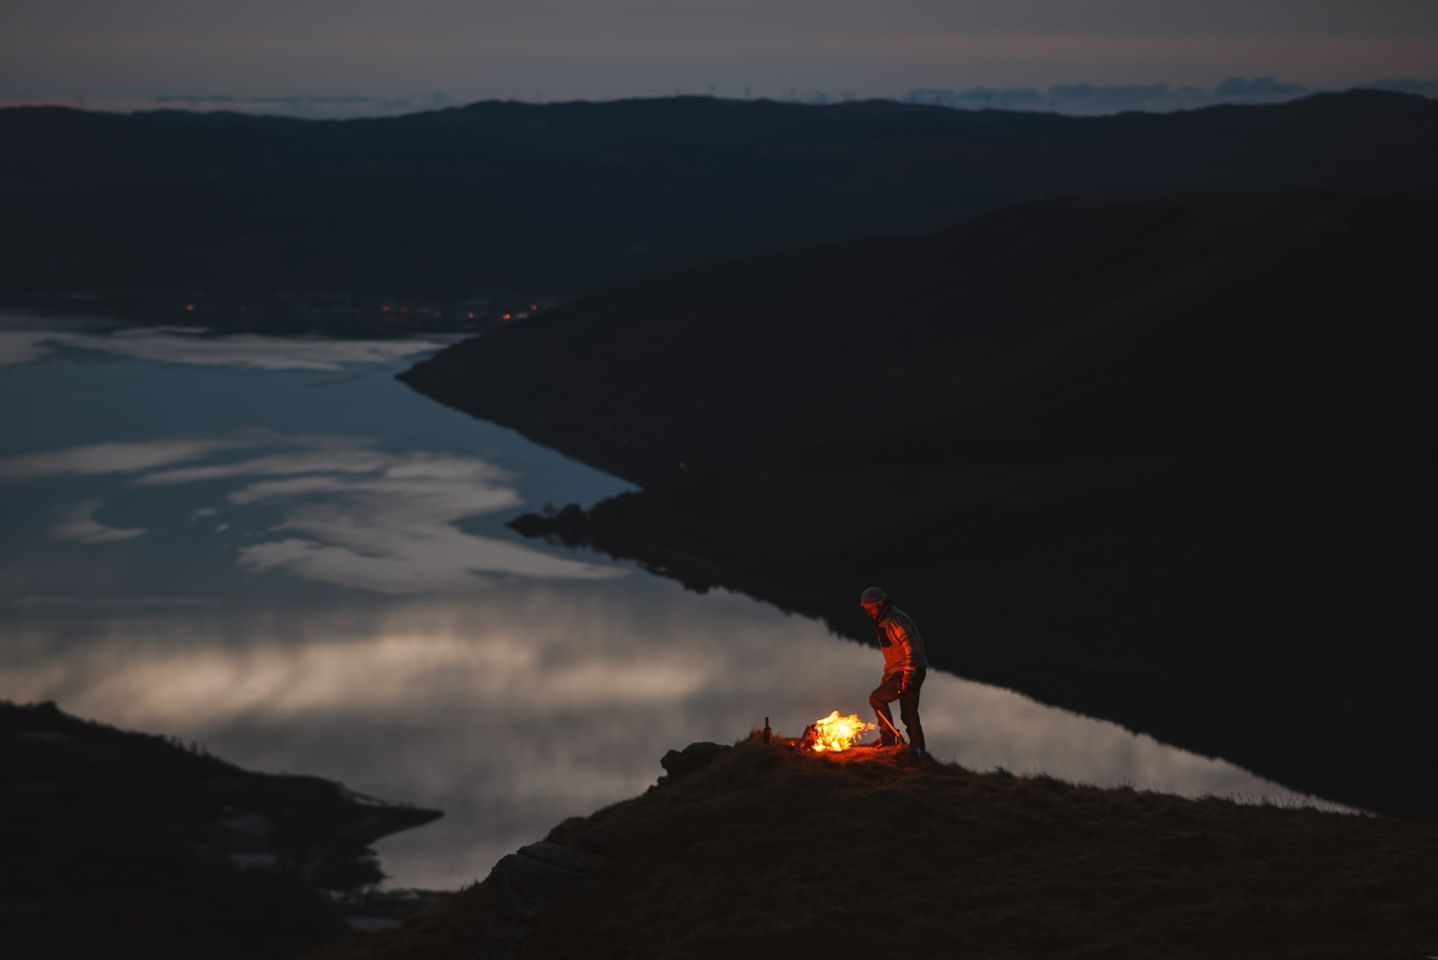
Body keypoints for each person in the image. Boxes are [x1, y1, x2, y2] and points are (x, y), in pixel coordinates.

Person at [861, 586, 927, 757]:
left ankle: (902, 744)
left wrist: (908, 675)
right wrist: (887, 675)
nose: (868, 613)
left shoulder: (895, 620)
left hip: (910, 669)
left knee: (879, 699)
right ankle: (914, 750)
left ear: (880, 604)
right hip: (902, 670)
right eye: (866, 610)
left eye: (870, 609)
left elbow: (911, 647)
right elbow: (892, 653)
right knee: (907, 712)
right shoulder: (883, 622)